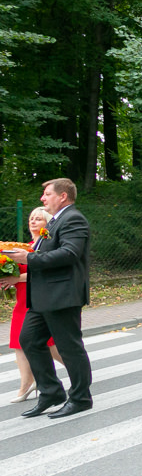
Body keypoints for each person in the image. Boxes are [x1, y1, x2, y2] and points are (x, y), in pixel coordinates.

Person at [8, 178, 93, 418]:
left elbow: (69, 253)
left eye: (47, 194)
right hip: (42, 297)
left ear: (63, 196)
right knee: (30, 340)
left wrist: (28, 258)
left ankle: (81, 397)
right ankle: (51, 392)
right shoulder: (55, 221)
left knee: (69, 348)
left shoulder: (73, 219)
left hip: (62, 295)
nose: (42, 198)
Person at [0, 207, 63, 403]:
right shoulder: (22, 246)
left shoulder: (48, 246)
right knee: (18, 343)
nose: (33, 222)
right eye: (31, 219)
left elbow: (45, 273)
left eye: (38, 219)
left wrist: (15, 278)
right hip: (22, 301)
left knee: (51, 346)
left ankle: (78, 368)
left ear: (47, 224)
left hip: (41, 299)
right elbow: (11, 270)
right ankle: (26, 384)